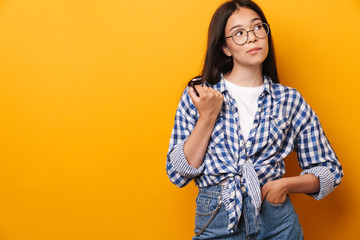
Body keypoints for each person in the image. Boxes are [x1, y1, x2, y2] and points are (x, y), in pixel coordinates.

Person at [165, 0, 343, 239]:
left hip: (277, 221)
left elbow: (330, 170)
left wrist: (285, 185)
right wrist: (207, 117)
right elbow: (178, 173)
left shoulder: (289, 100)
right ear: (225, 48)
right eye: (239, 33)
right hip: (217, 219)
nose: (252, 37)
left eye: (258, 27)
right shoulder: (201, 95)